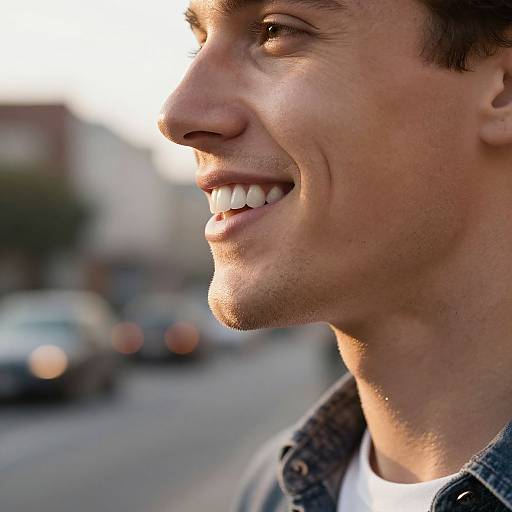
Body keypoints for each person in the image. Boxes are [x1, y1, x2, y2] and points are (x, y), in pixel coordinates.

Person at [158, 0, 512, 510]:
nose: (176, 115)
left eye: (275, 32)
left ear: (503, 89)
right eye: (199, 42)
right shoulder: (268, 492)